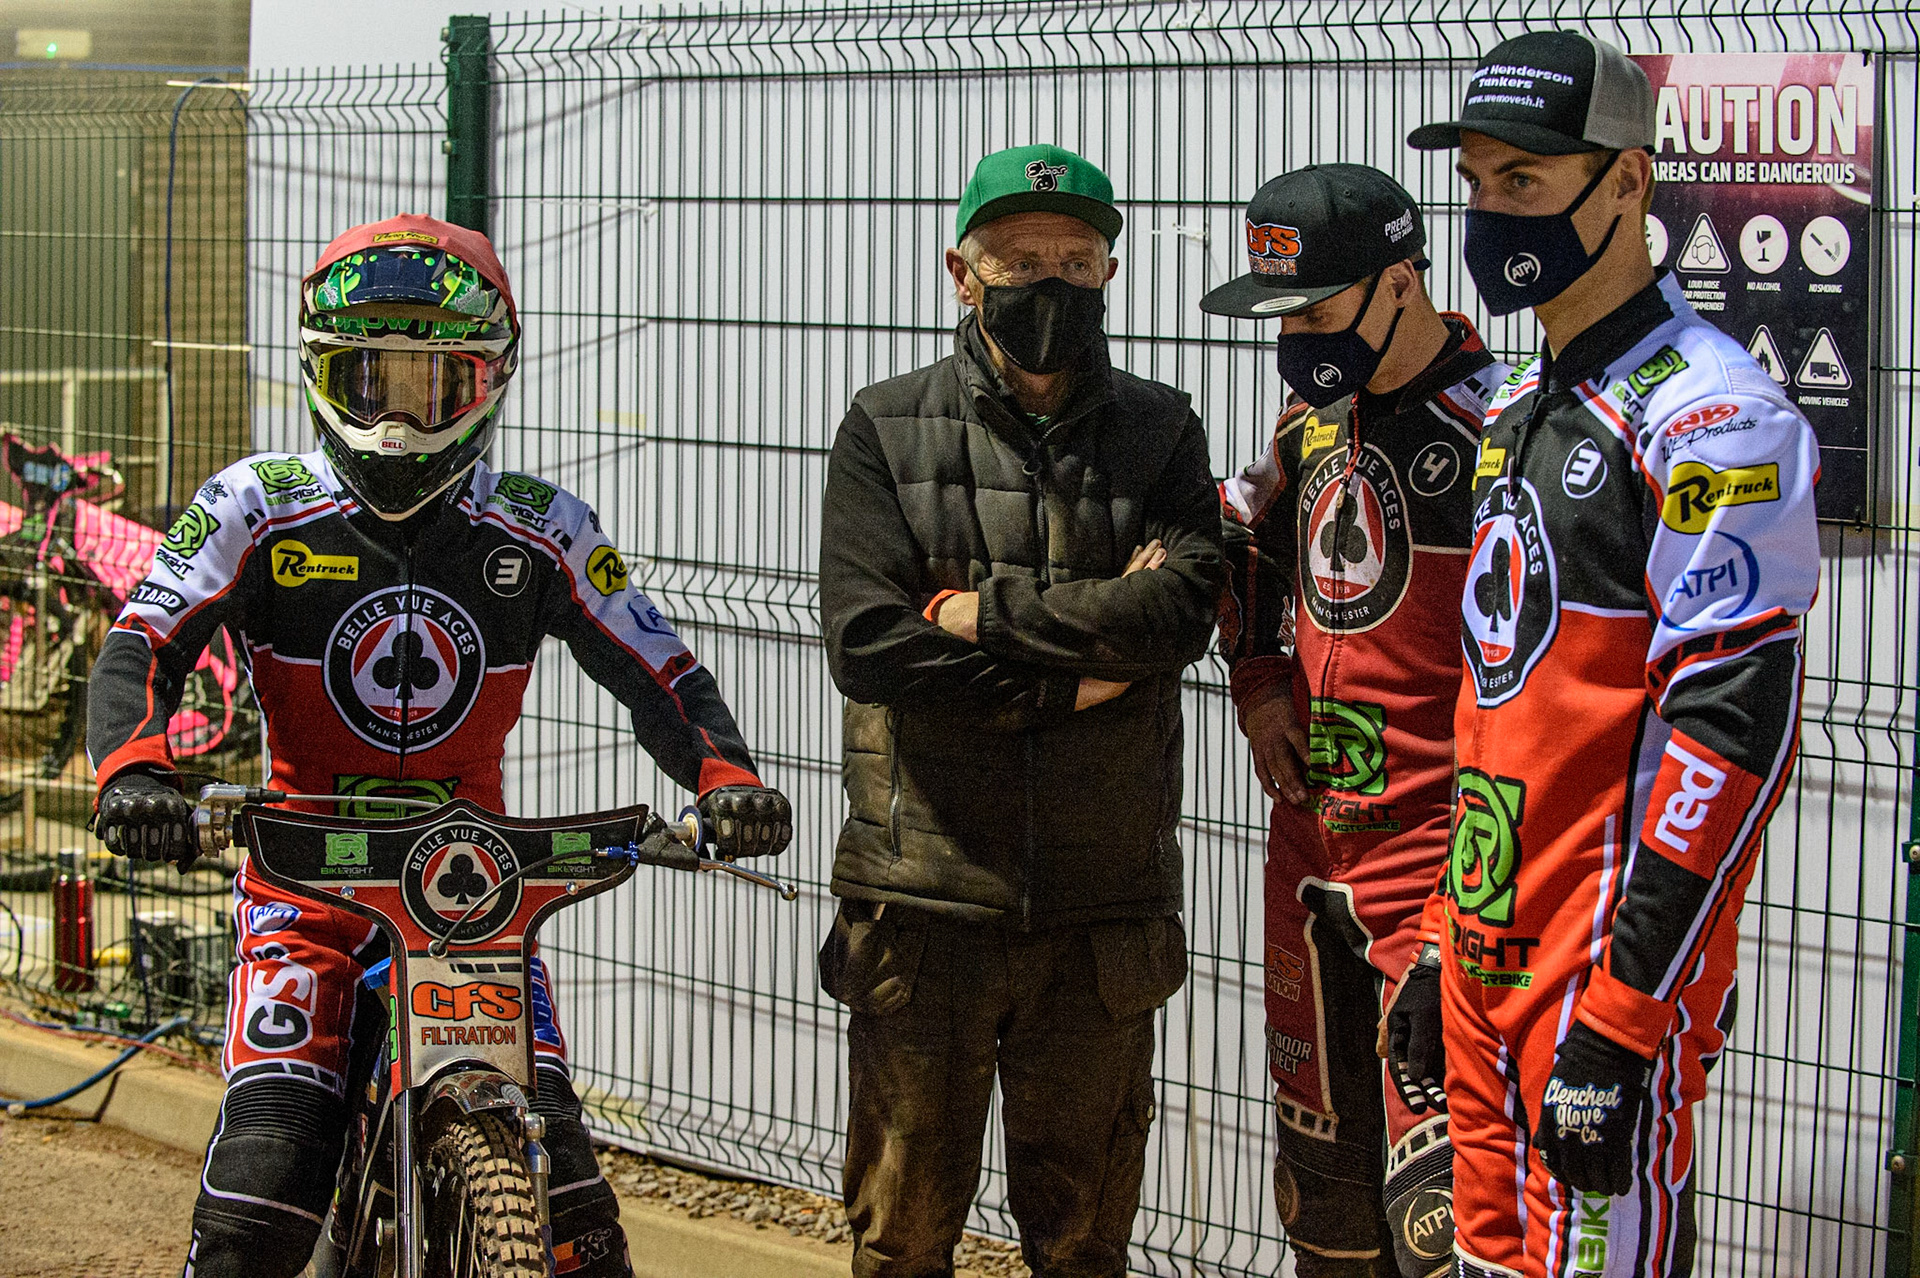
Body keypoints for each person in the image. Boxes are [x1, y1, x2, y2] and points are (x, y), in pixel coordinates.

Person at [87, 213, 793, 1278]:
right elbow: (142, 643)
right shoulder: (253, 504)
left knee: (578, 1223)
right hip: (303, 888)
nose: (400, 414)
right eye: (372, 377)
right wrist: (135, 774)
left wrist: (726, 779)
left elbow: (662, 672)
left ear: (489, 382)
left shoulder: (546, 525)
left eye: (435, 380)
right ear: (326, 374)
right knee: (263, 1185)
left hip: (471, 894)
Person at [1406, 31, 1819, 1277]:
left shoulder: (1715, 414)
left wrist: (1627, 1016)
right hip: (1485, 955)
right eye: (1476, 184)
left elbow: (1732, 738)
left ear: (1628, 181)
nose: (1491, 214)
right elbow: (1500, 707)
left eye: (1523, 184)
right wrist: (1439, 937)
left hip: (1596, 986)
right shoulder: (1522, 397)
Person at [817, 144, 1222, 1278]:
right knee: (902, 1238)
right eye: (1021, 259)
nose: (1050, 283)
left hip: (1100, 911)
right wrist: (1082, 673)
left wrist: (975, 616)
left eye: (1077, 260)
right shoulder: (884, 429)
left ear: (1109, 273)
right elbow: (868, 642)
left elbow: (1182, 610)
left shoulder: (1162, 429)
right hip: (924, 904)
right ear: (963, 270)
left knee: (1085, 1243)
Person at [1206, 164, 1507, 1278]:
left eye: (1319, 312)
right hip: (1310, 863)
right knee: (1321, 1218)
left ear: (1399, 283)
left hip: (1445, 881)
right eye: (1283, 314)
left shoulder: (1503, 435)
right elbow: (1245, 550)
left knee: (1445, 1230)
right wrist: (1260, 688)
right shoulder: (1310, 425)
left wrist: (1457, 919)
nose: (1297, 338)